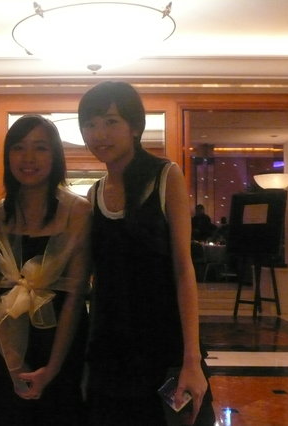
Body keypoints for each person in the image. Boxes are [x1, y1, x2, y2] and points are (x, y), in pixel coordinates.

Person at [78, 81, 215, 426]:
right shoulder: (94, 194)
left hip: (163, 346)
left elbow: (183, 270)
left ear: (135, 127)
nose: (99, 134)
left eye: (111, 122)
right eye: (90, 124)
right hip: (109, 350)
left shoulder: (165, 176)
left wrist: (191, 359)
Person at [0, 115, 92, 426]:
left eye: (40, 148)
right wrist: (12, 362)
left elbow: (74, 297)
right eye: (18, 147)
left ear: (55, 157)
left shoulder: (78, 211)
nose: (28, 158)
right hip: (5, 341)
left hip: (60, 340)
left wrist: (53, 367)